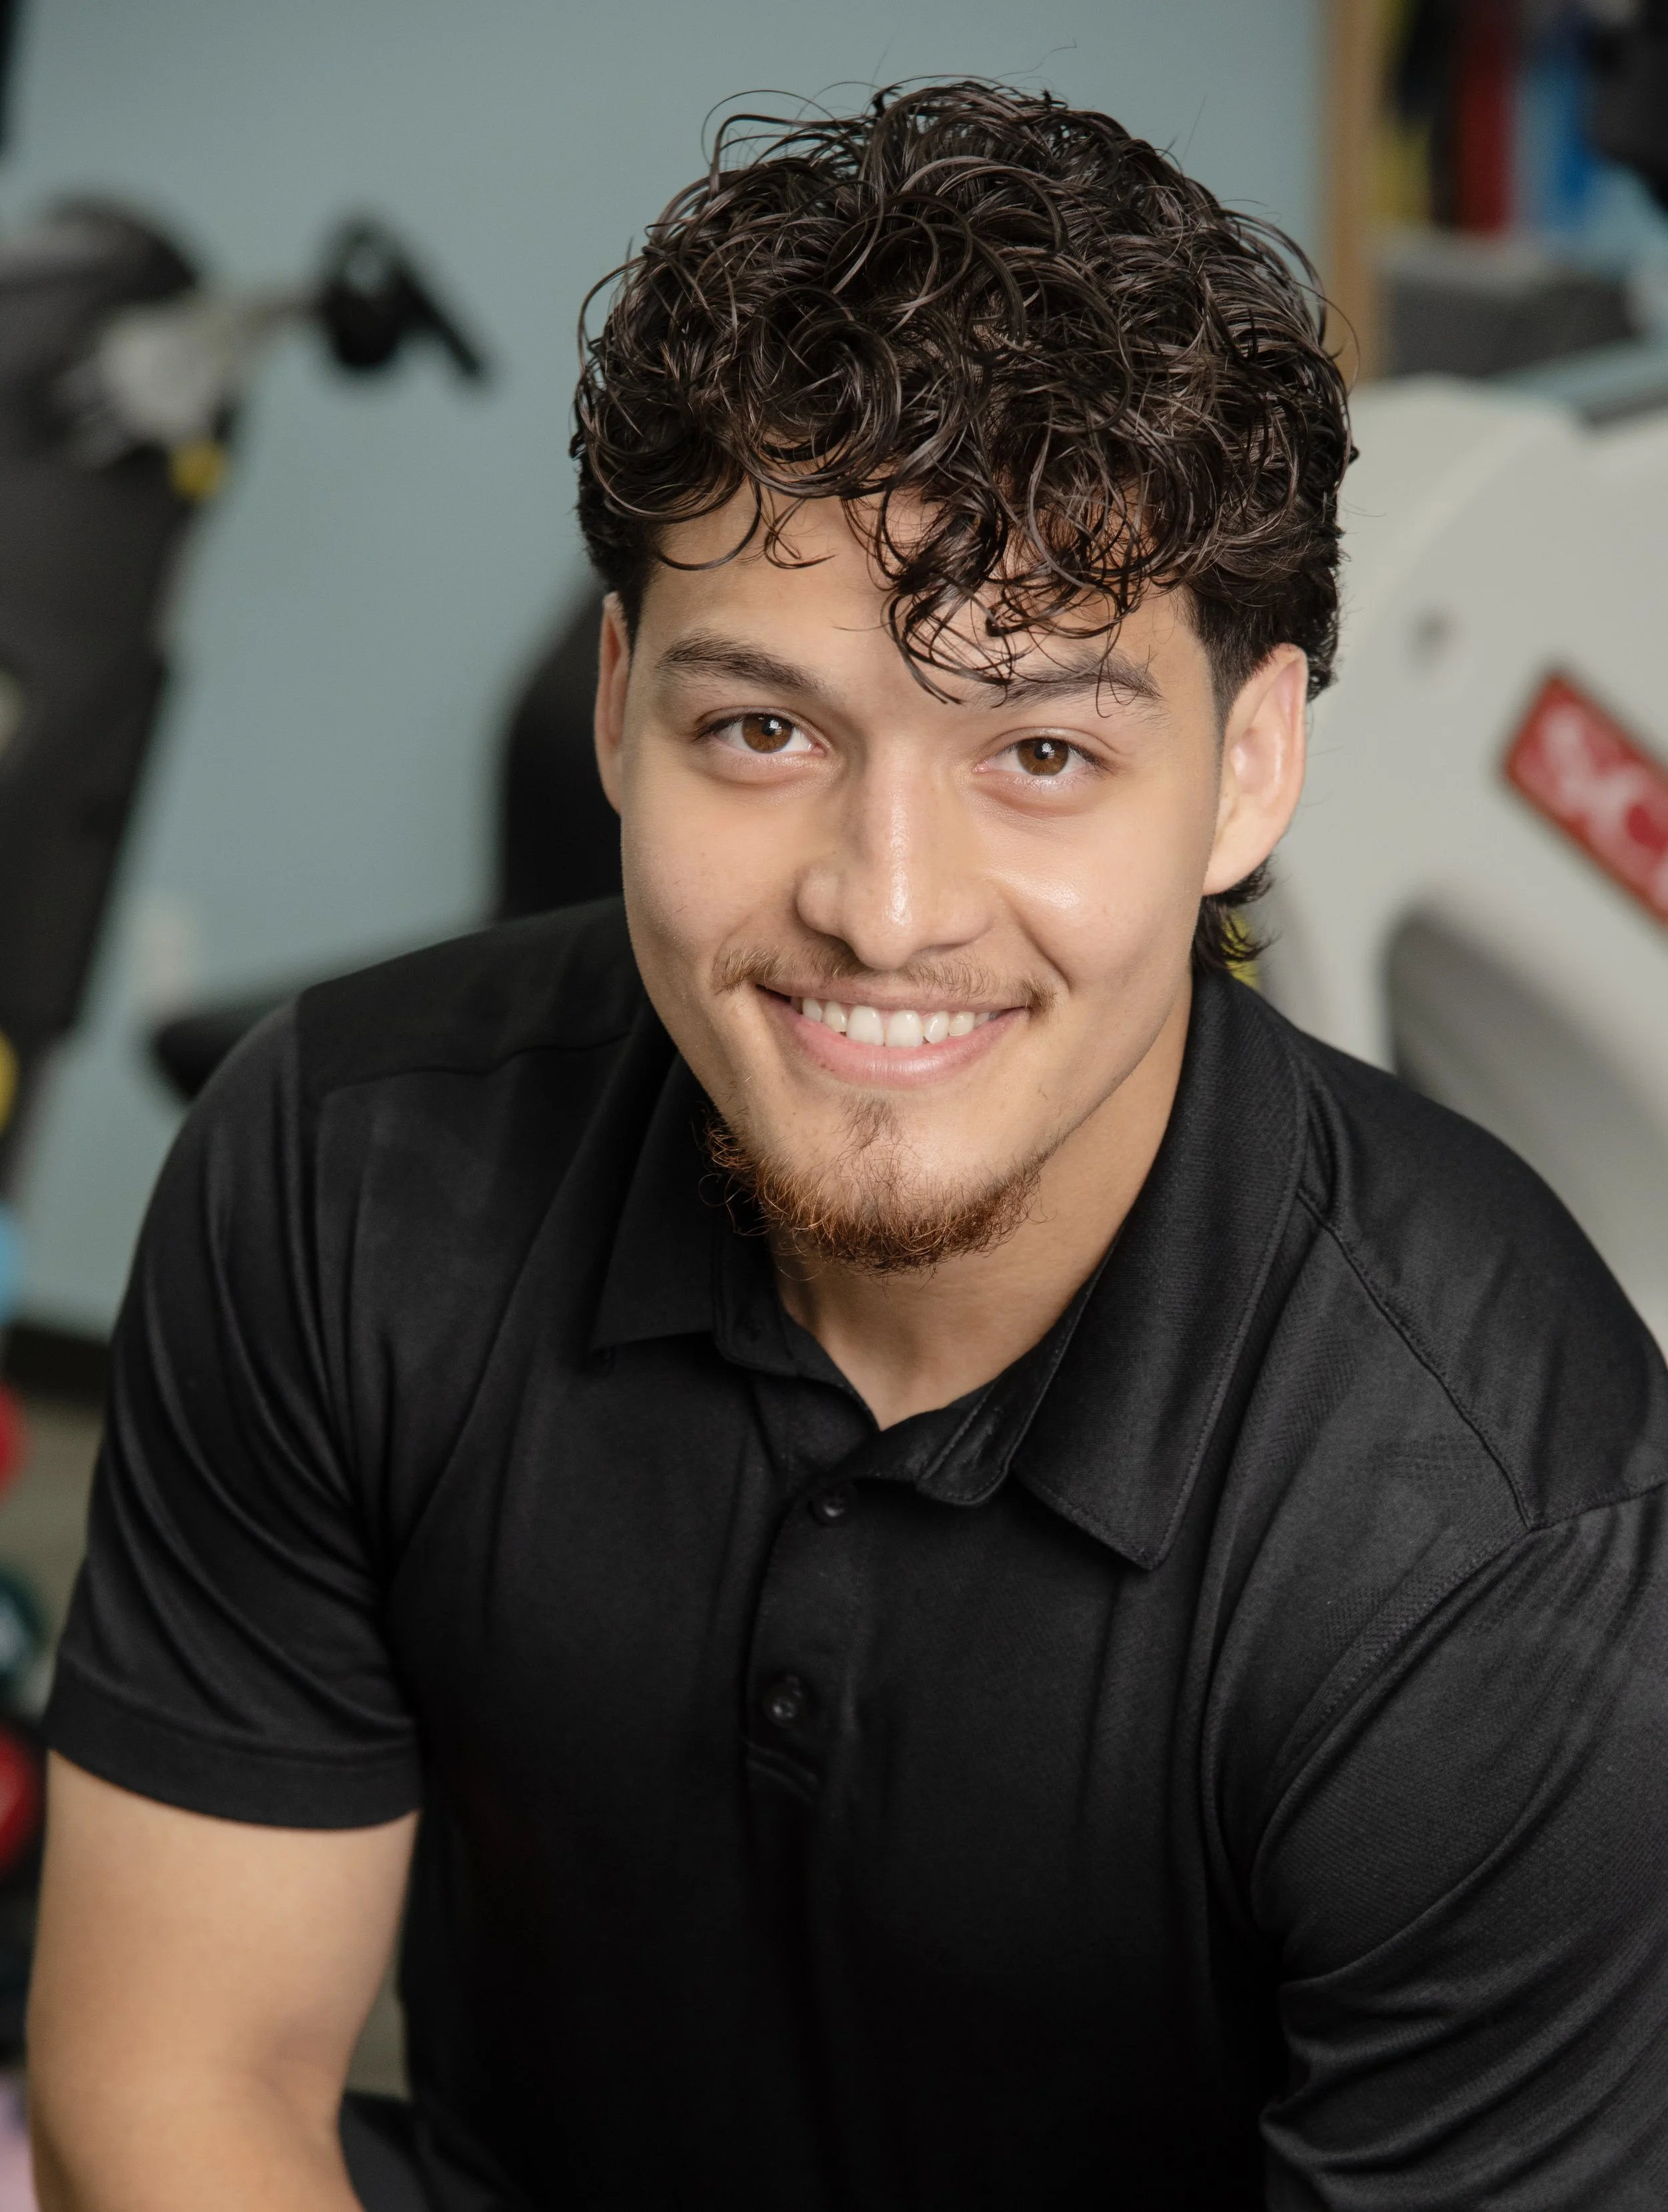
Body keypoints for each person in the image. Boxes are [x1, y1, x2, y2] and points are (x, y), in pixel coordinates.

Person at [26, 80, 1668, 2212]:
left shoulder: (1495, 1533)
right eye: (763, 729)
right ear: (617, 706)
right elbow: (187, 2078)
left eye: (1040, 750)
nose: (885, 908)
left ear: (1250, 769)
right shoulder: (342, 1173)